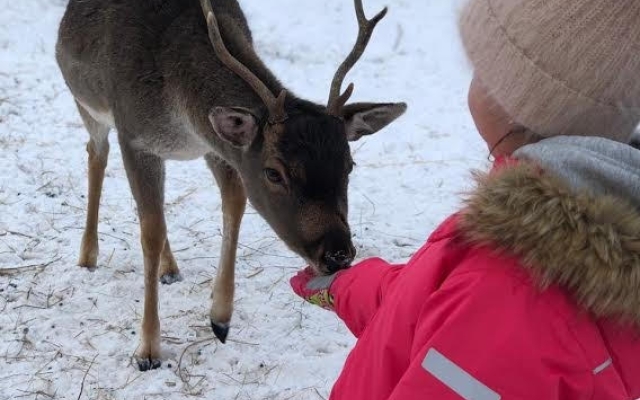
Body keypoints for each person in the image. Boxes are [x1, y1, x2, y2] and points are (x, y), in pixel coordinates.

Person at [289, 0, 640, 398]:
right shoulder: (542, 236)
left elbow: (472, 308)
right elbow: (424, 304)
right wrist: (348, 286)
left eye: (483, 69)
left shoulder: (509, 293)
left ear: (517, 103)